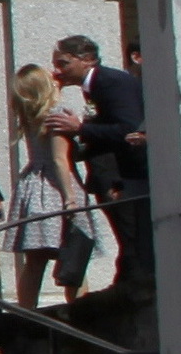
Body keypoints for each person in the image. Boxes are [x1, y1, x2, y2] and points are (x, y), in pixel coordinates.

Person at [55, 36, 150, 297]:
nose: (58, 70)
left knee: (134, 241)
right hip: (115, 176)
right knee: (128, 240)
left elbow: (129, 128)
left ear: (87, 60)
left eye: (63, 63)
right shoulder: (96, 84)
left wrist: (82, 128)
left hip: (128, 176)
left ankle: (133, 294)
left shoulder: (110, 82)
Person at [5, 61, 96, 310]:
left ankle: (26, 316)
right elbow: (59, 159)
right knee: (74, 256)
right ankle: (80, 314)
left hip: (33, 184)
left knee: (34, 262)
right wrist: (71, 198)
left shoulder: (29, 115)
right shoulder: (57, 113)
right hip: (56, 186)